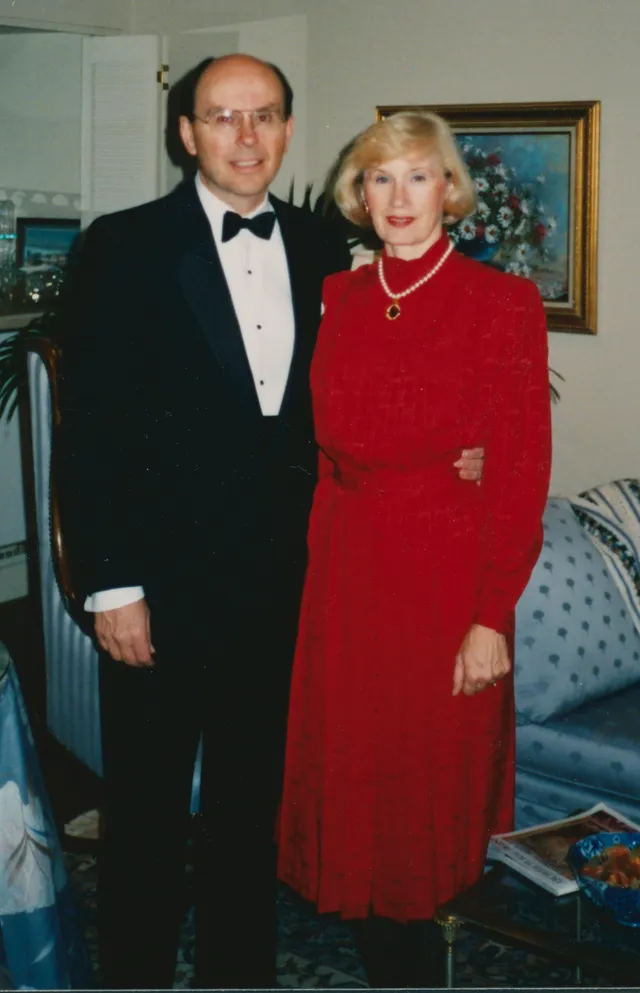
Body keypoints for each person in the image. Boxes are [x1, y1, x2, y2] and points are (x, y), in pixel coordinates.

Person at [56, 59, 484, 989]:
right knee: (150, 820)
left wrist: (466, 448)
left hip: (290, 591)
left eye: (264, 118)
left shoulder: (330, 246)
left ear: (290, 130)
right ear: (187, 133)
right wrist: (113, 585)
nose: (246, 137)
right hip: (158, 595)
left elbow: (395, 381)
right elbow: (89, 432)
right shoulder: (121, 246)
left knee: (251, 821)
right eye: (223, 118)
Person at [277, 110, 552, 987]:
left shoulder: (501, 303)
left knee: (424, 790)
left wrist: (489, 616)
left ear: (450, 190)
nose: (398, 197)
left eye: (417, 176)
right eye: (379, 178)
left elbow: (519, 472)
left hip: (441, 572)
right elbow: (319, 449)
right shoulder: (337, 297)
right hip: (346, 567)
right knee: (355, 781)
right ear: (360, 196)